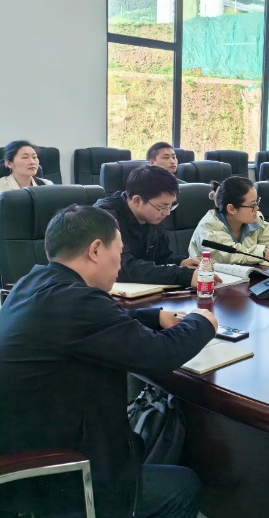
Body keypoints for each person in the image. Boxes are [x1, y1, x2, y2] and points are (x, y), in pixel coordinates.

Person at [0, 205, 217, 517]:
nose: (120, 263)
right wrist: (202, 321)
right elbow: (160, 355)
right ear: (96, 250)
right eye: (119, 250)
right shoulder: (77, 301)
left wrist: (154, 316)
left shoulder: (35, 282)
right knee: (183, 486)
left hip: (33, 440)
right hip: (56, 476)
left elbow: (96, 326)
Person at [96, 165, 201, 286]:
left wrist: (181, 262)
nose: (167, 213)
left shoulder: (153, 217)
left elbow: (160, 257)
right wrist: (183, 275)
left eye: (171, 206)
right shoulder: (105, 218)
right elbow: (123, 267)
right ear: (137, 200)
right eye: (162, 207)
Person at [189, 176, 269, 265]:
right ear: (231, 209)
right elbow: (229, 256)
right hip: (206, 281)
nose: (257, 208)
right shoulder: (209, 228)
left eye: (257, 202)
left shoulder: (253, 219)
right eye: (252, 205)